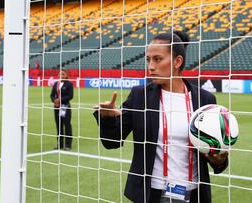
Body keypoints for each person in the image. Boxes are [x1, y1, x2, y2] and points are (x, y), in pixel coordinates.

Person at [93, 31, 228, 203]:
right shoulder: (139, 96)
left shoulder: (205, 100)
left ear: (177, 61)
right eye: (148, 59)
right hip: (151, 194)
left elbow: (216, 152)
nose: (150, 66)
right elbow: (112, 141)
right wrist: (107, 118)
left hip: (194, 193)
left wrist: (219, 160)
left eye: (157, 59)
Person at [50, 70, 74, 150]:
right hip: (56, 107)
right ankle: (59, 145)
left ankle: (68, 145)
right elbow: (52, 95)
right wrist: (54, 100)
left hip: (65, 107)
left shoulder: (69, 84)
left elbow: (70, 96)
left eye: (63, 74)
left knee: (67, 125)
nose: (61, 75)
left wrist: (60, 100)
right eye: (60, 74)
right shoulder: (56, 84)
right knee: (58, 126)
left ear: (67, 75)